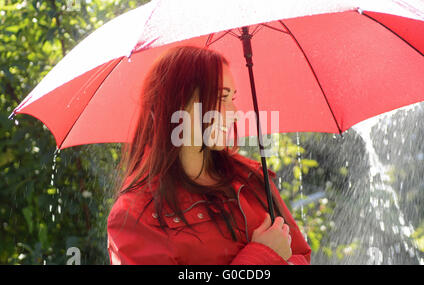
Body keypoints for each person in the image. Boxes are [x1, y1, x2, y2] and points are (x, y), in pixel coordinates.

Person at [107, 46, 311, 265]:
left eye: (233, 97)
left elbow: (301, 255)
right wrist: (261, 257)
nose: (234, 113)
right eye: (221, 97)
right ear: (177, 102)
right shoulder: (136, 216)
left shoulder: (252, 179)